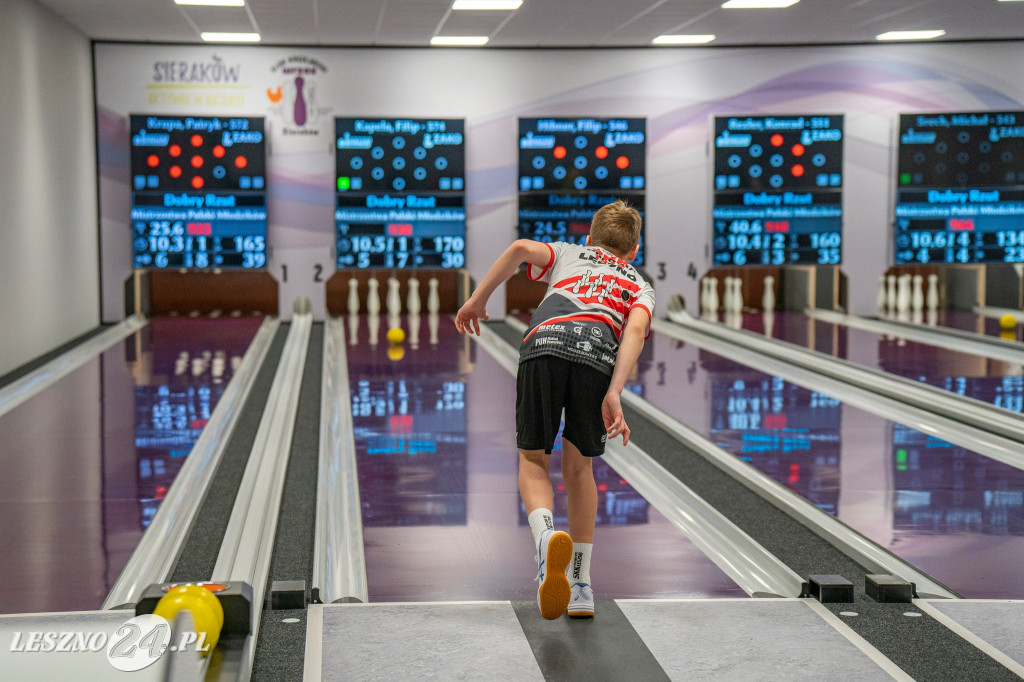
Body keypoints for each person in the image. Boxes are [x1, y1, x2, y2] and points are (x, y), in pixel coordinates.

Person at [454, 200, 655, 620]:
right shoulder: (639, 283)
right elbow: (635, 329)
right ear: (634, 251)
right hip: (596, 355)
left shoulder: (569, 252)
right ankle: (580, 585)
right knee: (580, 469)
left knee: (533, 459)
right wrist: (615, 391)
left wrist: (476, 299)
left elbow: (519, 250)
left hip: (543, 343)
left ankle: (545, 538)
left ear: (590, 239)